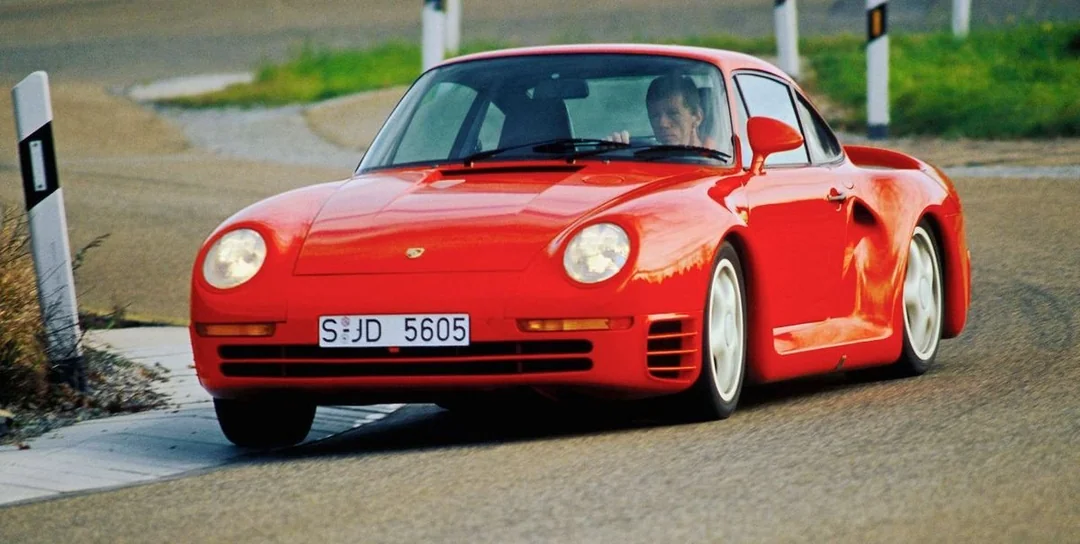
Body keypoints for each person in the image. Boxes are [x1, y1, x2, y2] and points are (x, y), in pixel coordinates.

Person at [608, 74, 708, 147]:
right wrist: (614, 154)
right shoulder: (642, 160)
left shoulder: (717, 163)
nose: (662, 123)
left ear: (697, 117)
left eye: (673, 114)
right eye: (655, 116)